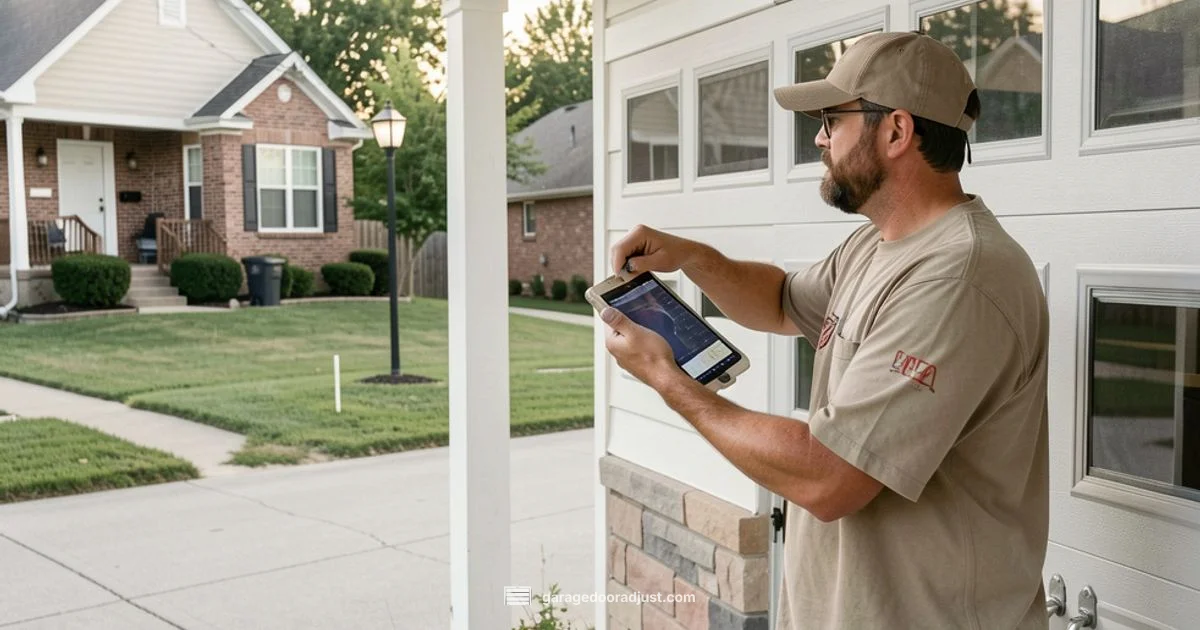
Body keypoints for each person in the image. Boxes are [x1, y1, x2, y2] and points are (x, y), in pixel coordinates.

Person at [599, 32, 1050, 629]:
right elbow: (783, 303)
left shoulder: (959, 276)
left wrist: (668, 380)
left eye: (832, 119)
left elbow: (830, 476)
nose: (817, 138)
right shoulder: (877, 244)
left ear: (896, 131)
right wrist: (692, 257)